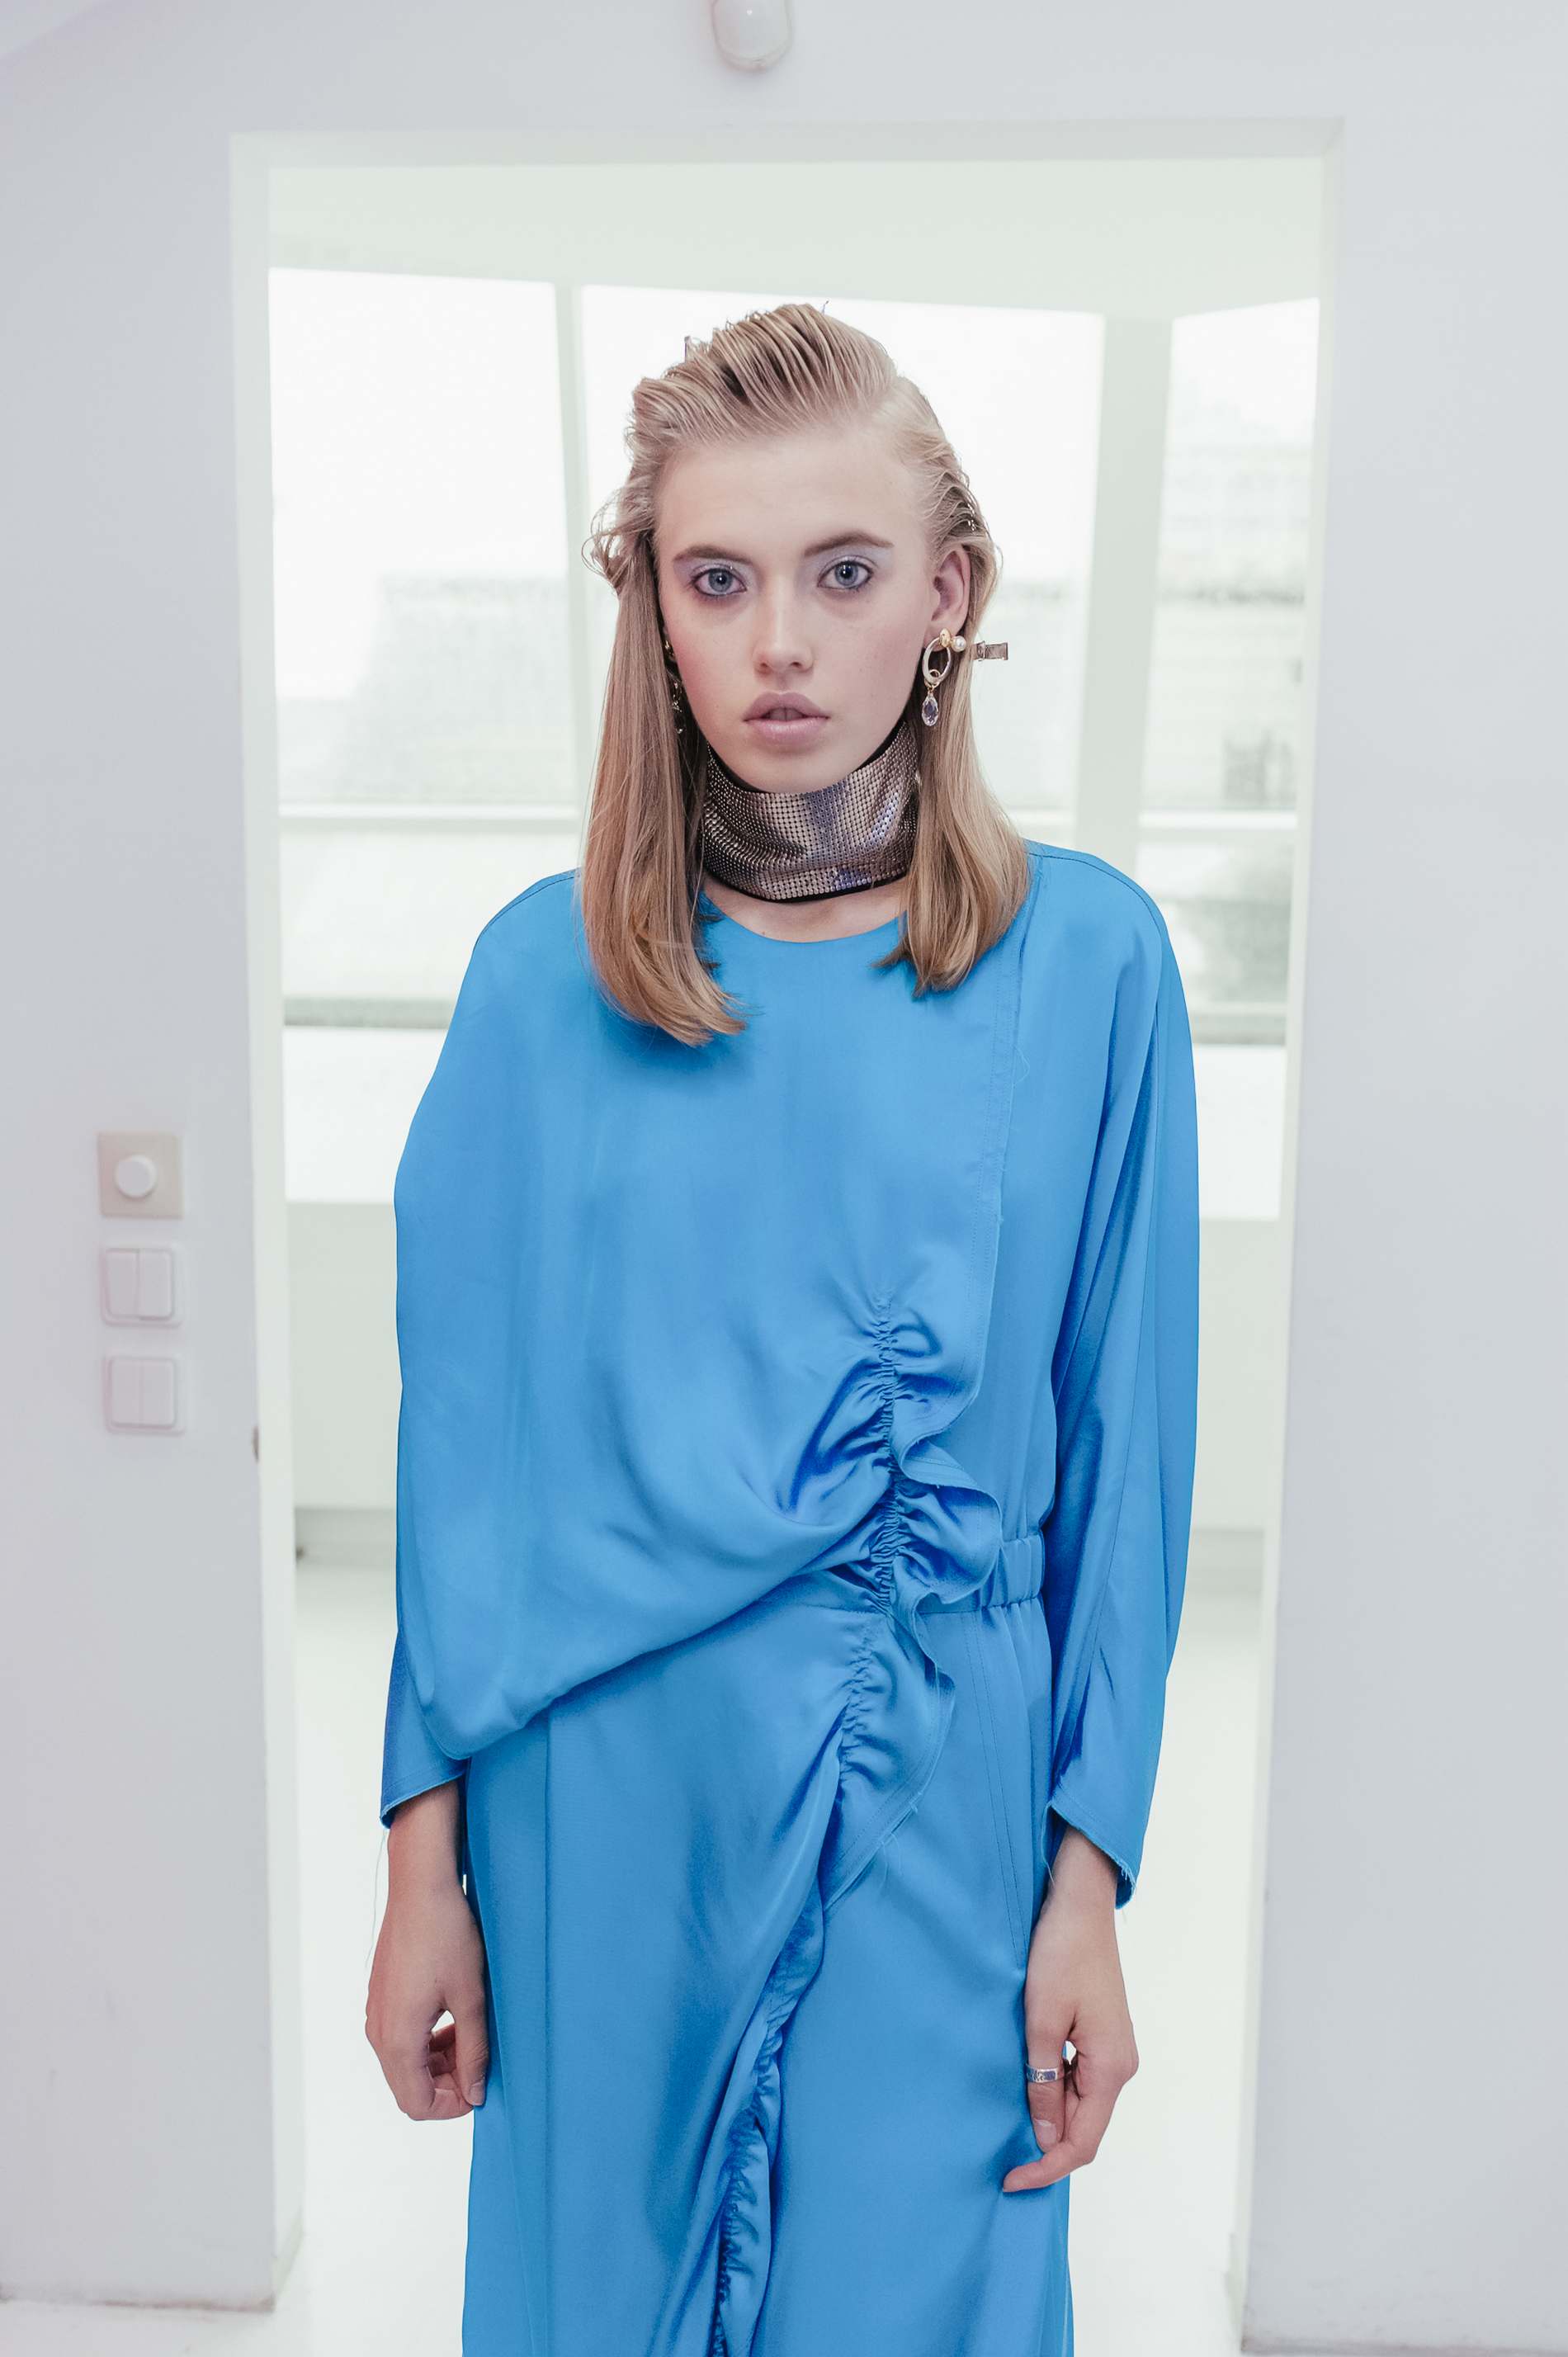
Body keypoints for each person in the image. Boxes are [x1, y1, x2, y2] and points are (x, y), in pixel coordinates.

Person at [365, 300, 1200, 2357]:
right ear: (650, 612)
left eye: (841, 573)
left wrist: (1086, 1880)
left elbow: (1128, 1459)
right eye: (715, 581)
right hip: (600, 1813)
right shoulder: (536, 985)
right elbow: (463, 1473)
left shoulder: (1091, 964)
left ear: (949, 594)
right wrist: (420, 1874)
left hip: (944, 1803)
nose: (780, 648)